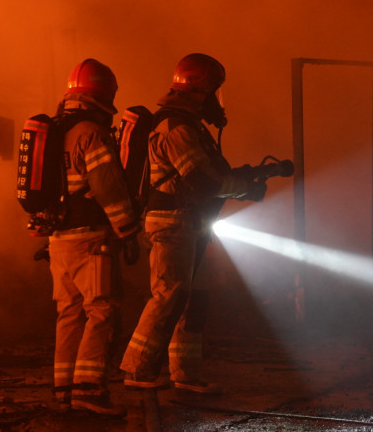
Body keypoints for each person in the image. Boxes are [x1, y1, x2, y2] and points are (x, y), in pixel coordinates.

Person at [119, 53, 266, 394]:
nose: (217, 100)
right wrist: (244, 188)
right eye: (215, 90)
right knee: (169, 295)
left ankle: (184, 373)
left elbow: (212, 176)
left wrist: (248, 180)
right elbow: (203, 181)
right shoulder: (177, 128)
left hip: (192, 223)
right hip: (174, 224)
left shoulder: (190, 125)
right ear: (201, 90)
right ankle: (137, 369)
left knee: (193, 300)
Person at [46, 58, 141, 417]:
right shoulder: (90, 132)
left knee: (68, 312)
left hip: (58, 240)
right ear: (104, 93)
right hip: (90, 239)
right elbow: (109, 189)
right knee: (101, 309)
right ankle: (89, 389)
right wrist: (128, 231)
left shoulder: (55, 129)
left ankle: (64, 388)